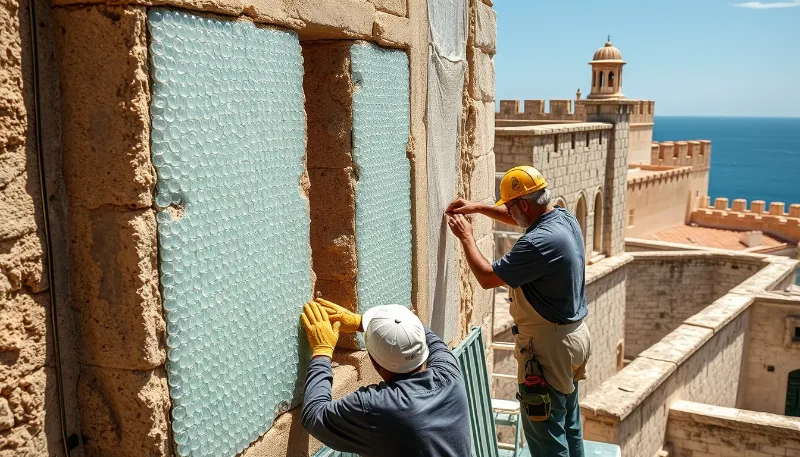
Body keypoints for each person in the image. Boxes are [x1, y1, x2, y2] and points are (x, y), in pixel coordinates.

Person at [445, 165, 591, 457]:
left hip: (549, 350)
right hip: (575, 341)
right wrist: (479, 208)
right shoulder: (563, 217)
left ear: (523, 204)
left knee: (547, 439)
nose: (509, 213)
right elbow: (520, 220)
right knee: (570, 427)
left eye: (510, 206)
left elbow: (487, 278)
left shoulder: (538, 244)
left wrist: (467, 238)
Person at [299, 298, 471, 457]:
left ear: (373, 362)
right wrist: (363, 323)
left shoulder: (378, 407)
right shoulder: (449, 371)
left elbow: (314, 415)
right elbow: (424, 333)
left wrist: (322, 351)